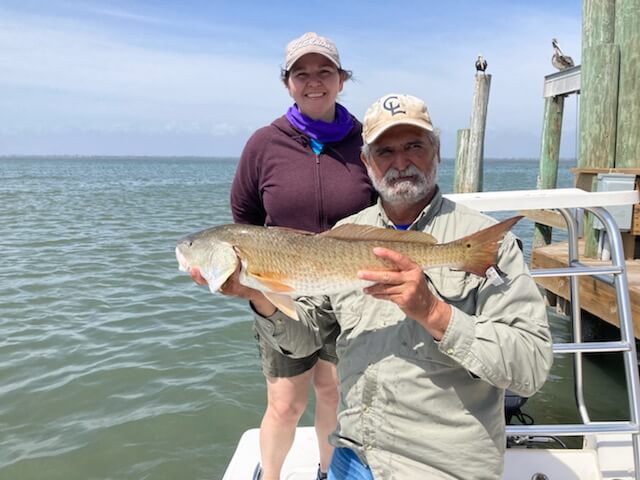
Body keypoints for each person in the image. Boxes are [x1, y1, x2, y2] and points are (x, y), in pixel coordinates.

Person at [212, 92, 554, 479]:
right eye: (385, 151)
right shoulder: (342, 237)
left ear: (436, 151)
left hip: (441, 466)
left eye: (414, 146)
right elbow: (305, 340)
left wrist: (436, 313)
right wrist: (259, 294)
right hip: (355, 455)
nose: (401, 162)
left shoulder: (485, 244)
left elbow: (531, 366)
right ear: (366, 162)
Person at [228, 32, 375, 480]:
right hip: (282, 289)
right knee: (285, 402)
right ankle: (269, 475)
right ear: (287, 83)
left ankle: (327, 471)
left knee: (332, 391)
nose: (314, 82)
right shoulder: (263, 144)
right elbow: (244, 216)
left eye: (324, 71)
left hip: (348, 285)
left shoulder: (365, 141)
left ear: (341, 79)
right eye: (301, 74)